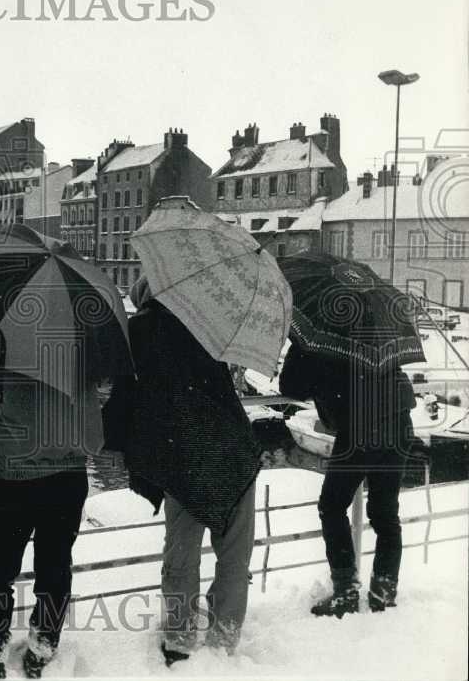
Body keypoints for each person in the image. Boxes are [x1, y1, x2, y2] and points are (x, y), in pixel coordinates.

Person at [102, 278, 260, 665]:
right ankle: (224, 642)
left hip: (187, 455)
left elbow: (124, 397)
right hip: (236, 449)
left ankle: (179, 640)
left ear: (143, 300)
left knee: (182, 556)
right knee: (234, 557)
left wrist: (112, 443)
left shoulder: (139, 330)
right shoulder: (208, 324)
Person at [0, 318, 103, 679]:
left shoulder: (2, 336)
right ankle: (43, 645)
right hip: (69, 474)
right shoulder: (86, 341)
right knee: (55, 567)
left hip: (16, 474)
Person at [278, 340, 417, 617]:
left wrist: (298, 347)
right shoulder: (377, 328)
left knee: (331, 506)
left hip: (361, 429)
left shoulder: (318, 337)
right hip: (399, 420)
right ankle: (384, 591)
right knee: (385, 512)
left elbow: (291, 387)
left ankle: (346, 591)